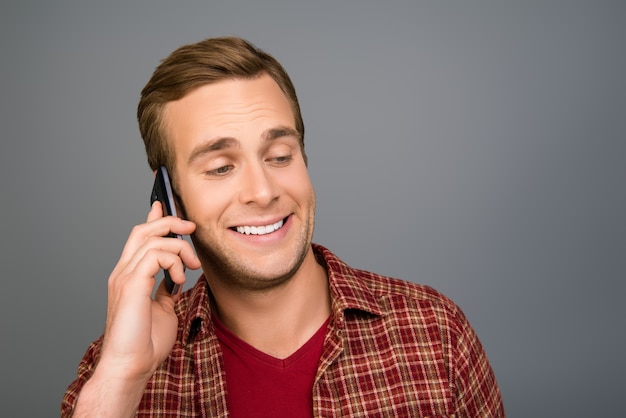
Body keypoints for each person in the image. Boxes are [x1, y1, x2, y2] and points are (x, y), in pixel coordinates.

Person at [62, 36, 505, 417]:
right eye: (220, 167)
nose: (263, 190)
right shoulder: (114, 367)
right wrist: (120, 380)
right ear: (170, 199)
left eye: (279, 156)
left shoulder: (435, 334)